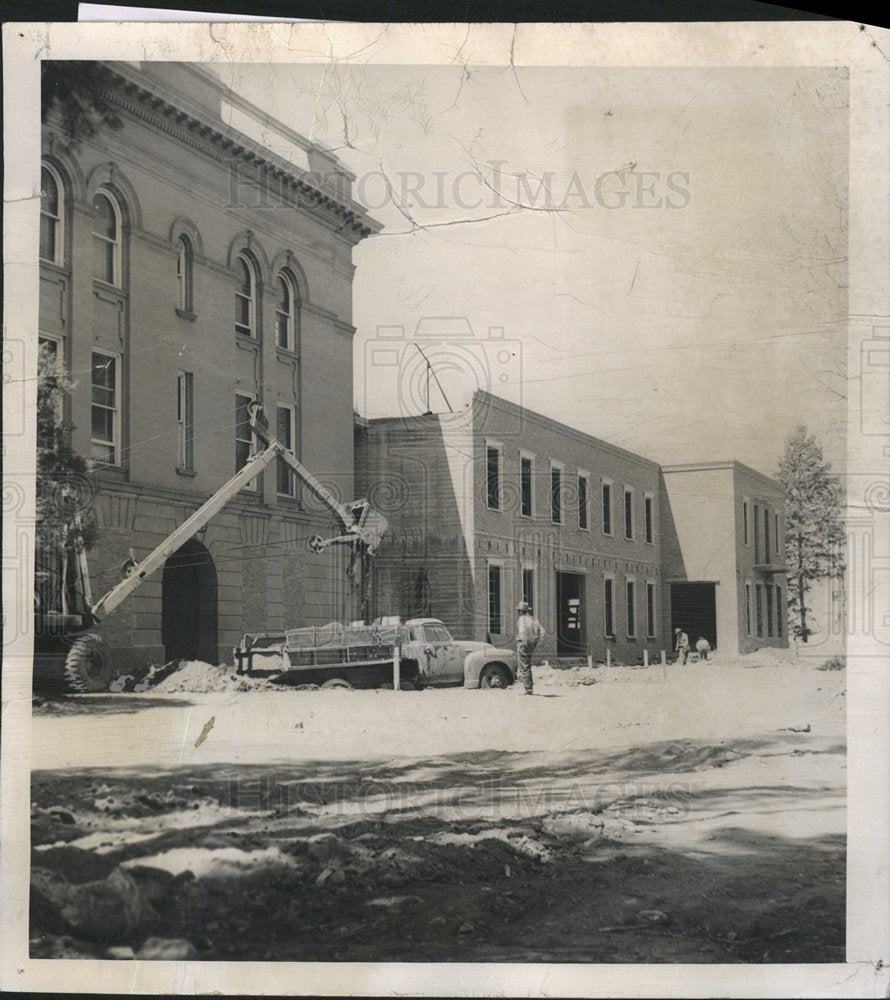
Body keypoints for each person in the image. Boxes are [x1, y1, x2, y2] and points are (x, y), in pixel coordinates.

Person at [515, 601, 545, 695]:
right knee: (527, 665)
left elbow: (522, 631)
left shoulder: (522, 619)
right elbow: (542, 631)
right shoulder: (534, 619)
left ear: (520, 611)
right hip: (532, 643)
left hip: (524, 643)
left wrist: (523, 641)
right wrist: (537, 641)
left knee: (523, 666)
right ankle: (529, 688)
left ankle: (528, 689)